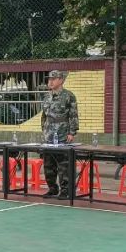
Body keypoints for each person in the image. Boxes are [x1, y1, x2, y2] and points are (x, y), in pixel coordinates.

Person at [40, 69, 79, 200]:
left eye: (53, 79)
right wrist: (44, 131)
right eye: (49, 79)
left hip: (62, 134)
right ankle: (52, 188)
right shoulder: (46, 97)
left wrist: (72, 132)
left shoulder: (69, 96)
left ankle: (65, 190)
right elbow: (44, 116)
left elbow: (73, 115)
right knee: (48, 164)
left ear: (61, 80)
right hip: (49, 135)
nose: (50, 81)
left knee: (63, 164)